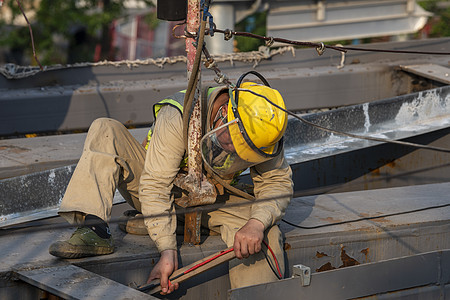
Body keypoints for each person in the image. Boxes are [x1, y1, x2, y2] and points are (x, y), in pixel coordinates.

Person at [49, 80, 293, 294]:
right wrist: (167, 250)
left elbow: (277, 181)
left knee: (266, 235)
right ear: (224, 115)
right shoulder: (178, 114)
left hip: (213, 200)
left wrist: (256, 223)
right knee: (106, 130)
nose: (235, 154)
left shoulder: (261, 128)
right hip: (157, 191)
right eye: (234, 146)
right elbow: (155, 186)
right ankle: (96, 231)